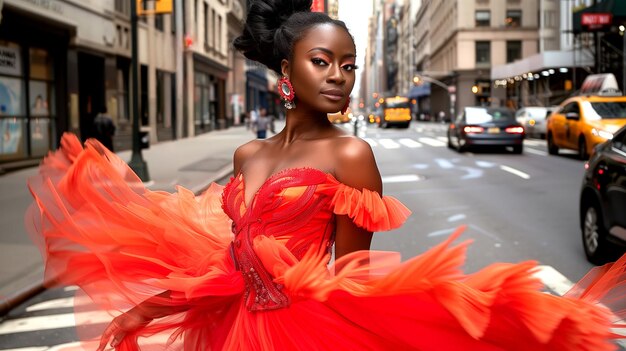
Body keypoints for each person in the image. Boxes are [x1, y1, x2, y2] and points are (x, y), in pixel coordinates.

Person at [25, 1, 625, 350]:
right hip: (234, 330)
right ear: (286, 70)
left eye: (349, 65)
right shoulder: (247, 157)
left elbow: (353, 278)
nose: (339, 75)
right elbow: (230, 266)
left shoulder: (352, 156)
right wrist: (146, 310)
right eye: (322, 62)